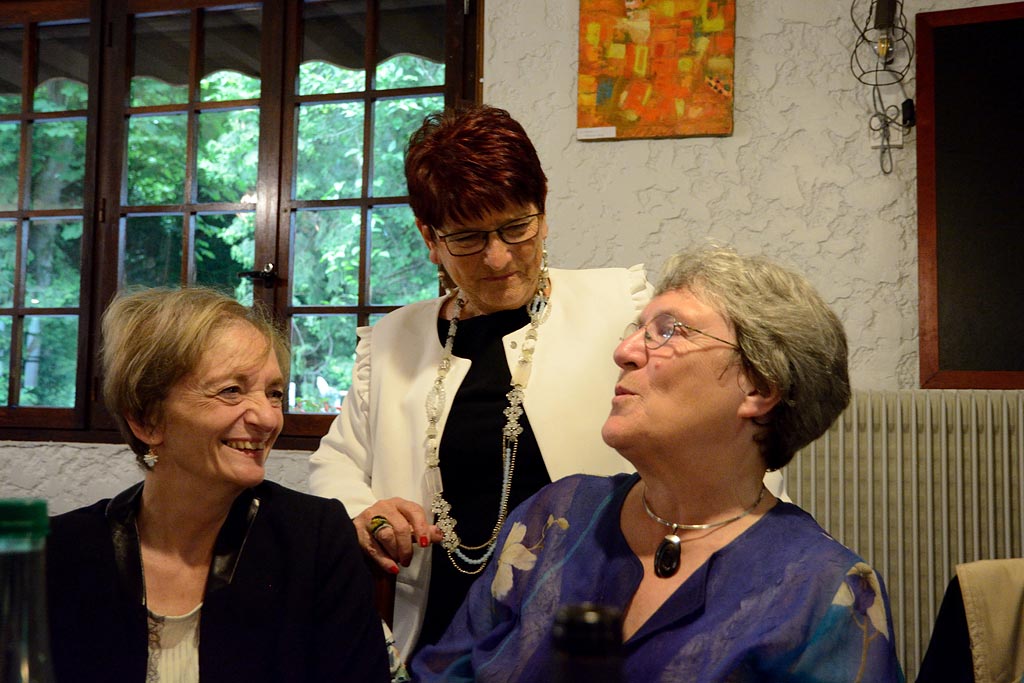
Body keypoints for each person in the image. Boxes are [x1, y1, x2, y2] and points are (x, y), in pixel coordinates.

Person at [411, 246, 905, 682]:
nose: (624, 351)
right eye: (637, 330)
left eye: (667, 331)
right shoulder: (555, 518)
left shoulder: (823, 592)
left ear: (759, 387)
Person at [307, 104, 655, 656]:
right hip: (441, 634)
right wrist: (361, 512)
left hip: (594, 631)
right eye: (467, 238)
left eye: (517, 226)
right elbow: (337, 460)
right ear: (429, 237)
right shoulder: (395, 341)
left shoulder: (621, 308)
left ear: (543, 207)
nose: (498, 258)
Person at [45, 287, 391, 682]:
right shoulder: (62, 552)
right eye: (231, 391)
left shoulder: (316, 541)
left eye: (274, 393)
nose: (267, 418)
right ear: (147, 420)